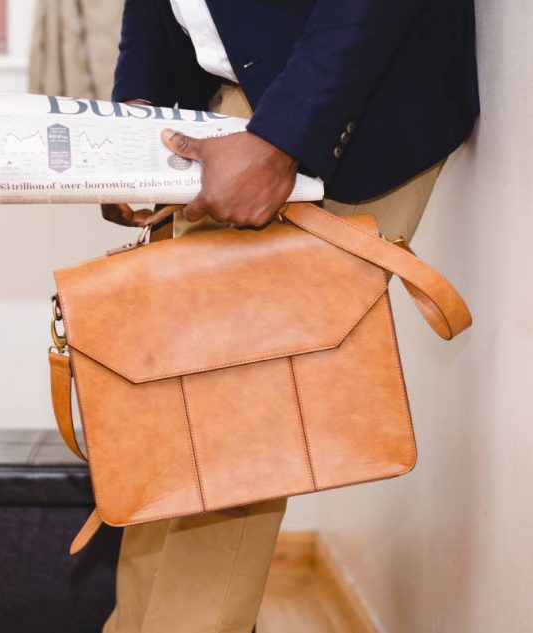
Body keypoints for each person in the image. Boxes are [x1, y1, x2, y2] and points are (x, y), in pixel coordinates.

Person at [99, 1, 479, 632]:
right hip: (225, 101)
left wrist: (282, 140)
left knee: (236, 425)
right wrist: (135, 117)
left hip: (340, 99)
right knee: (170, 410)